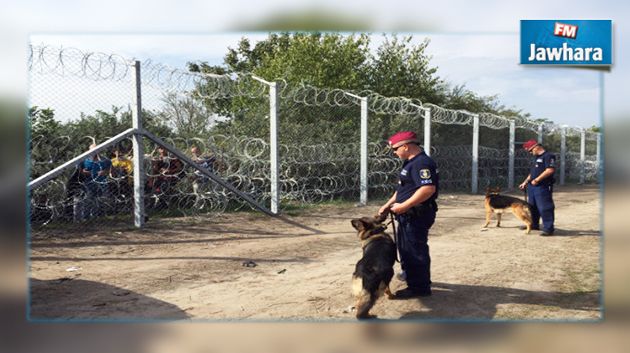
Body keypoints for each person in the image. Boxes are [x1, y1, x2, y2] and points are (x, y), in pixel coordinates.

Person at [378, 131, 439, 298]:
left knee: (414, 250)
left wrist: (404, 206)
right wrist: (388, 205)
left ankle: (419, 288)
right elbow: (403, 190)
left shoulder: (422, 163)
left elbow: (428, 189)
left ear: (406, 146)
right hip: (407, 214)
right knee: (405, 249)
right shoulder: (410, 162)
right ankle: (413, 277)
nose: (394, 153)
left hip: (416, 214)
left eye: (395, 149)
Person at [519, 139, 556, 236]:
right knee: (532, 207)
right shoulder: (536, 157)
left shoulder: (548, 156)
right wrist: (525, 182)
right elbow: (533, 173)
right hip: (532, 186)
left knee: (544, 207)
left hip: (542, 186)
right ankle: (534, 224)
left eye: (531, 150)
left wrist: (537, 180)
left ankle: (548, 228)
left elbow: (550, 170)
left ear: (536, 147)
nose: (531, 153)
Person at [80, 143, 112, 219]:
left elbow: (111, 171)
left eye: (97, 149)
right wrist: (86, 172)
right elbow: (80, 171)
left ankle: (98, 217)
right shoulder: (84, 160)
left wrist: (105, 172)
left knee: (100, 200)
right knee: (88, 200)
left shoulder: (105, 160)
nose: (94, 151)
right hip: (89, 183)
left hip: (102, 183)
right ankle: (86, 217)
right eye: (93, 150)